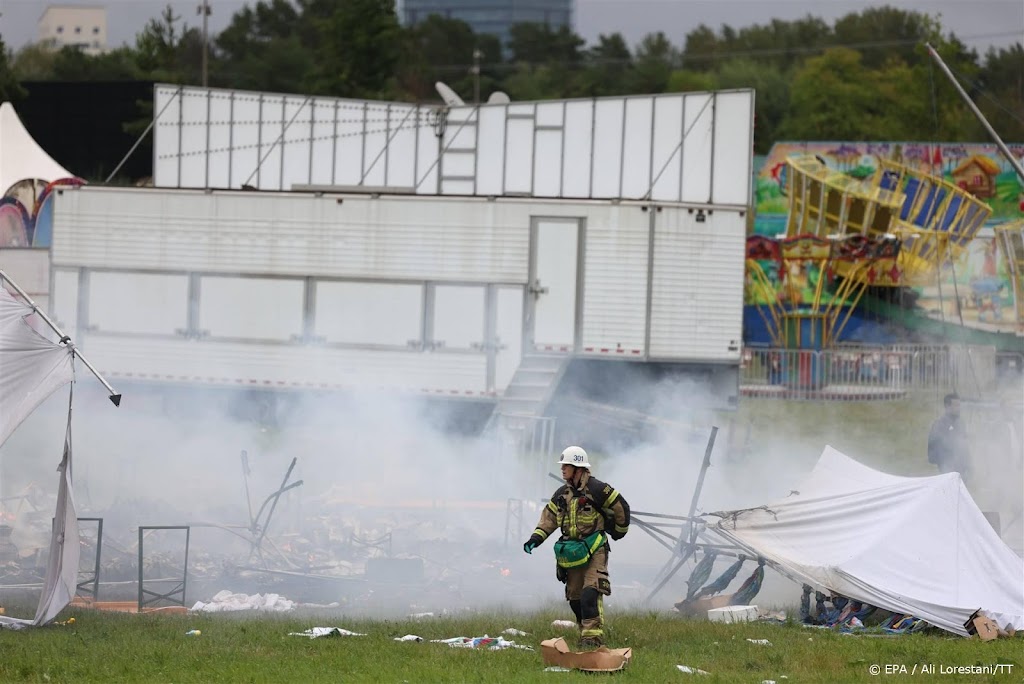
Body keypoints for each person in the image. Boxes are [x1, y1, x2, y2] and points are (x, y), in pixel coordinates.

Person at [523, 446, 630, 649]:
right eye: (562, 466)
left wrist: (619, 531)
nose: (562, 469)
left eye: (567, 466)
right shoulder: (561, 494)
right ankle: (584, 630)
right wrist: (535, 539)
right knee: (575, 598)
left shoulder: (599, 489)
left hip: (595, 549)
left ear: (578, 468)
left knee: (591, 592)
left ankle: (592, 638)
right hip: (573, 553)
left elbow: (621, 507)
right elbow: (549, 518)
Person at [927, 393, 969, 477]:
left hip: (961, 469)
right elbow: (933, 447)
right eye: (956, 405)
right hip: (947, 468)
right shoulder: (939, 424)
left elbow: (964, 445)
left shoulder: (960, 423)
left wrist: (969, 466)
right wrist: (945, 464)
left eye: (959, 405)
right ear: (947, 406)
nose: (959, 408)